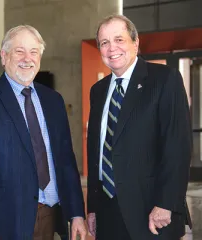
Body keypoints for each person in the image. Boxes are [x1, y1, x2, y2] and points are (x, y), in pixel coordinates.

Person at [0, 25, 87, 240]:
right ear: (4, 56)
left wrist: (76, 213)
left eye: (34, 52)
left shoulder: (53, 100)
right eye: (19, 51)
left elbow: (66, 161)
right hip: (2, 225)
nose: (27, 58)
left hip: (49, 218)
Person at [86, 14, 192, 240]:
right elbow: (96, 153)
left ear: (135, 43)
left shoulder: (165, 79)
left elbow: (177, 146)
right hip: (108, 213)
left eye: (119, 39)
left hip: (152, 212)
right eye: (104, 43)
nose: (112, 48)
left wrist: (166, 204)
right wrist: (93, 208)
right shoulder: (98, 91)